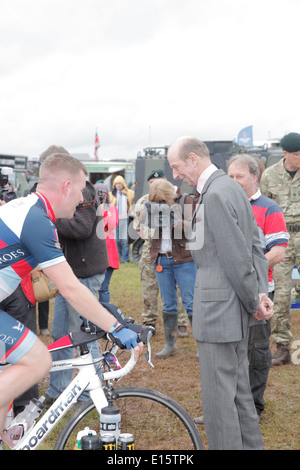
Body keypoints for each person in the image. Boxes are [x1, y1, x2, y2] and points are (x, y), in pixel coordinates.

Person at [0, 152, 142, 436]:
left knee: (8, 382)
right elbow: (71, 289)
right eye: (80, 189)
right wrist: (114, 326)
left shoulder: (29, 209)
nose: (81, 199)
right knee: (39, 360)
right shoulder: (36, 219)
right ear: (66, 186)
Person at [167, 136, 273, 450]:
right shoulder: (230, 188)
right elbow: (254, 247)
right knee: (240, 396)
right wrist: (259, 294)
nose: (176, 175)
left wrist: (255, 299)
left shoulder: (215, 194)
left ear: (193, 158)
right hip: (233, 311)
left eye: (177, 167)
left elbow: (237, 256)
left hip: (221, 314)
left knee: (219, 406)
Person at [228, 154, 289, 417]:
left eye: (239, 176)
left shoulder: (269, 208)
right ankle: (229, 404)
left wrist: (249, 269)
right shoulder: (223, 205)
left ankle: (253, 406)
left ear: (255, 177)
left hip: (261, 289)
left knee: (257, 348)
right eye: (229, 176)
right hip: (229, 291)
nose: (233, 181)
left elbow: (279, 251)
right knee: (230, 348)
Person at [44, 178, 109, 405]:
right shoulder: (61, 190)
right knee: (60, 333)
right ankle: (57, 389)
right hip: (69, 273)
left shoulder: (85, 190)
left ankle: (92, 395)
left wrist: (51, 216)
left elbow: (81, 229)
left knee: (84, 334)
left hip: (86, 273)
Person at [133, 169, 190, 336]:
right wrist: (149, 237)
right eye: (151, 184)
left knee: (178, 289)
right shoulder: (145, 201)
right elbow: (138, 225)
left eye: (159, 183)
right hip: (152, 247)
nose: (155, 186)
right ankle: (149, 322)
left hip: (175, 248)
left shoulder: (179, 199)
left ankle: (181, 322)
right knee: (149, 286)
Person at [260, 132, 300, 365]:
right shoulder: (270, 175)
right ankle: (283, 346)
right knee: (282, 294)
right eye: (297, 154)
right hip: (281, 239)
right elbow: (264, 209)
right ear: (285, 154)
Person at [145, 178, 196, 358]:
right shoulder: (155, 203)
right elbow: (146, 223)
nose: (160, 204)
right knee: (168, 303)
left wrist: (177, 221)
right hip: (161, 259)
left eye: (162, 201)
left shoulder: (186, 200)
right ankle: (170, 344)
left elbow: (195, 228)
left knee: (190, 302)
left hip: (184, 259)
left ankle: (204, 345)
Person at [95, 183, 120, 303]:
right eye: (98, 195)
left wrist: (102, 211)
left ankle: (105, 315)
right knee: (92, 288)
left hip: (109, 253)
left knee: (104, 288)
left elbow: (111, 225)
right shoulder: (88, 209)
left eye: (104, 195)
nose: (102, 197)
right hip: (94, 253)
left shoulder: (112, 209)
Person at [109, 175, 134, 263]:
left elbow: (132, 204)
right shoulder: (112, 194)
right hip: (115, 219)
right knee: (116, 240)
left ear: (123, 184)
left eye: (120, 183)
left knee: (124, 240)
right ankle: (118, 257)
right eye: (117, 184)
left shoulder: (128, 193)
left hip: (125, 219)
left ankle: (125, 259)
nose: (118, 185)